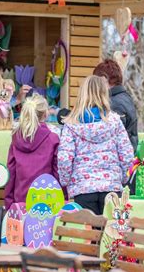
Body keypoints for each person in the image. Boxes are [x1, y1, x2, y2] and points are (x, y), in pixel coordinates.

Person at [57, 75, 133, 215]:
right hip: (111, 188)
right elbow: (127, 154)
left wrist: (66, 181)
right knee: (111, 234)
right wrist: (122, 178)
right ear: (104, 94)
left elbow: (64, 158)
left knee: (88, 234)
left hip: (82, 189)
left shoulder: (72, 124)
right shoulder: (115, 122)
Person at [4, 94, 61, 209]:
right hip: (47, 202)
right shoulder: (53, 139)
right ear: (45, 114)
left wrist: (9, 204)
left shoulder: (16, 139)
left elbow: (10, 175)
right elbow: (58, 173)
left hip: (20, 203)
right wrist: (63, 198)